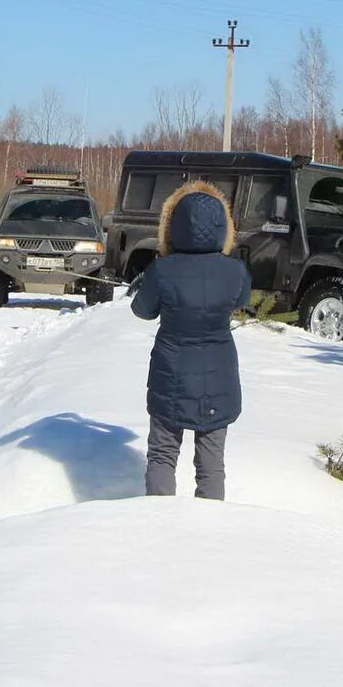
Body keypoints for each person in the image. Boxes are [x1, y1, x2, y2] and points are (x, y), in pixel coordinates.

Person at [130, 181, 252, 500]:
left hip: (170, 376)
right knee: (212, 465)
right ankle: (207, 537)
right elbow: (241, 300)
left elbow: (142, 311)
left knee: (162, 457)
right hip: (219, 379)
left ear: (173, 226)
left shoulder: (162, 270)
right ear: (222, 226)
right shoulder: (235, 271)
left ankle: (160, 525)